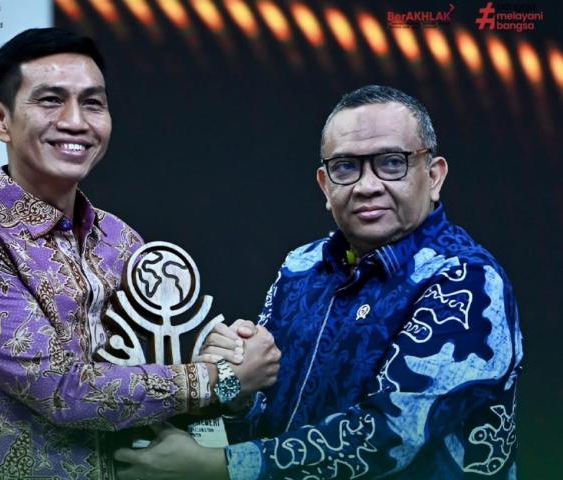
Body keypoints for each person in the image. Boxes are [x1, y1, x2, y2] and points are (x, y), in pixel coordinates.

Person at [0, 27, 280, 479]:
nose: (75, 121)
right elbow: (63, 392)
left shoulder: (121, 241)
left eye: (92, 103)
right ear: (0, 119)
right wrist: (218, 379)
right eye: (51, 100)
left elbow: (153, 388)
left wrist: (230, 364)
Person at [114, 85, 524, 479]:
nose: (367, 186)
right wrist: (236, 389)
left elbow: (390, 436)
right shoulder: (302, 266)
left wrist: (220, 467)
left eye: (391, 162)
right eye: (346, 167)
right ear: (326, 186)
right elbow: (267, 418)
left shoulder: (465, 279)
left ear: (433, 176)